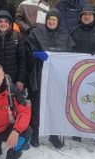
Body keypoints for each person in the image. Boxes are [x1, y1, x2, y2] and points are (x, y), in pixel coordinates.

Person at [28, 9, 74, 148]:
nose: (51, 21)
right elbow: (28, 48)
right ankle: (34, 133)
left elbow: (71, 52)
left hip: (57, 76)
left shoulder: (65, 35)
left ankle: (53, 135)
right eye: (49, 19)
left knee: (55, 105)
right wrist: (36, 54)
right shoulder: (37, 33)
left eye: (54, 19)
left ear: (58, 21)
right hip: (39, 73)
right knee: (37, 105)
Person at [0, 10, 28, 93]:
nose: (3, 24)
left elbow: (22, 60)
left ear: (10, 23)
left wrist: (20, 80)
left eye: (6, 21)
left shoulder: (18, 37)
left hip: (14, 78)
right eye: (0, 21)